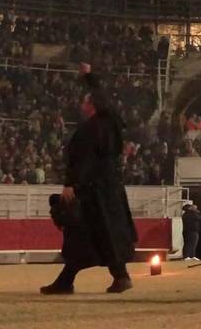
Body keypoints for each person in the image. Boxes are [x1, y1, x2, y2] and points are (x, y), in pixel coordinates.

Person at [41, 64, 138, 295]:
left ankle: (67, 281)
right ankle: (119, 276)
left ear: (91, 106)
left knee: (83, 235)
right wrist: (90, 77)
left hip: (93, 191)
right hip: (111, 188)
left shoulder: (88, 130)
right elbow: (105, 98)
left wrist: (70, 184)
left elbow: (82, 161)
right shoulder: (112, 123)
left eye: (85, 101)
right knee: (104, 235)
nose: (81, 104)